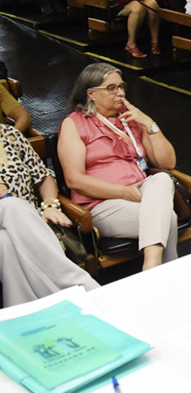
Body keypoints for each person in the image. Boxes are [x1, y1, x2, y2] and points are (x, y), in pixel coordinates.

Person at [58, 63, 179, 271]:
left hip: (142, 194)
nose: (120, 93)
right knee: (169, 218)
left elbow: (168, 163)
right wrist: (123, 192)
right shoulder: (74, 123)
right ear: (91, 93)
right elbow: (74, 179)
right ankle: (155, 269)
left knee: (161, 178)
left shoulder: (131, 119)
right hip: (102, 204)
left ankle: (152, 271)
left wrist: (148, 123)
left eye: (122, 87)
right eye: (112, 88)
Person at [0, 123, 101, 306]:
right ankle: (80, 287)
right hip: (15, 211)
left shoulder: (9, 134)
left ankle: (22, 311)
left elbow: (42, 175)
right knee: (11, 205)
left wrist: (50, 205)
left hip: (26, 222)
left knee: (5, 242)